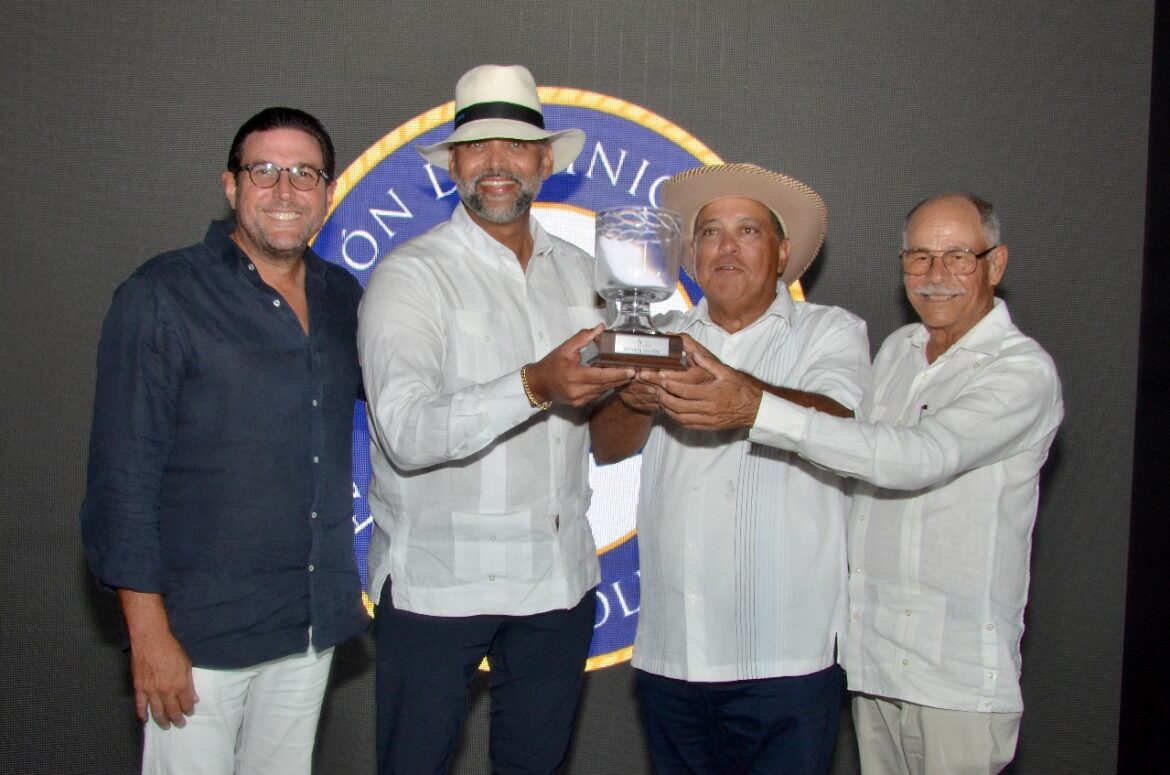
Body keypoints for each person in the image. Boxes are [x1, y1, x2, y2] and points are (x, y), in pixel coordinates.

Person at [678, 193, 1064, 774]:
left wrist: (757, 408)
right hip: (874, 664)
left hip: (955, 678)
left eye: (958, 257)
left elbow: (919, 457)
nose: (935, 275)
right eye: (919, 257)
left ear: (996, 264)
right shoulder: (898, 352)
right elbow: (855, 459)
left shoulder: (1021, 370)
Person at [358, 64, 634, 775]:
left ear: (545, 162)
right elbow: (405, 433)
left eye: (515, 145)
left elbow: (606, 438)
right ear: (452, 165)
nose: (496, 163)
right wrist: (536, 383)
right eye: (477, 146)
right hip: (440, 583)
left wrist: (642, 391)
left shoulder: (587, 274)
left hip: (558, 581)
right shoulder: (410, 275)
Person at [79, 107, 369, 774]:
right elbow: (122, 480)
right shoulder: (162, 295)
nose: (285, 189)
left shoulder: (341, 298)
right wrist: (148, 632)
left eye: (304, 173)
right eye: (264, 171)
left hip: (308, 624)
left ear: (328, 192)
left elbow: (411, 406)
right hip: (198, 635)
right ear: (231, 185)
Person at [591, 162, 872, 774]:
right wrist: (633, 400)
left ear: (782, 252)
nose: (727, 247)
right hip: (671, 653)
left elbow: (839, 421)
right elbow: (607, 446)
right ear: (690, 256)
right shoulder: (661, 334)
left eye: (748, 231)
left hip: (783, 656)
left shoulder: (829, 330)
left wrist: (737, 395)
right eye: (711, 233)